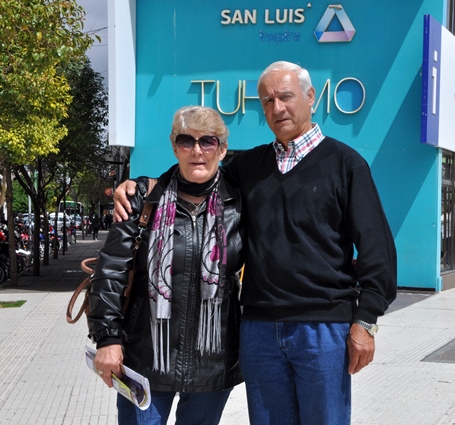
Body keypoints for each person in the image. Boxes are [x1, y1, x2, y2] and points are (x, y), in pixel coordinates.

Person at [113, 61, 397, 425]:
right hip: (259, 330)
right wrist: (140, 184)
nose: (277, 108)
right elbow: (196, 171)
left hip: (322, 328)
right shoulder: (248, 167)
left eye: (286, 97)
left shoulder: (347, 165)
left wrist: (366, 321)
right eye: (267, 100)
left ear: (311, 97)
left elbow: (378, 251)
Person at [87, 106, 245, 425]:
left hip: (212, 364)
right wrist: (107, 338)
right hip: (144, 359)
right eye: (186, 141)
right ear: (175, 147)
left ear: (223, 149)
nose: (197, 151)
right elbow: (111, 272)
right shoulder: (143, 199)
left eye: (208, 142)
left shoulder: (241, 204)